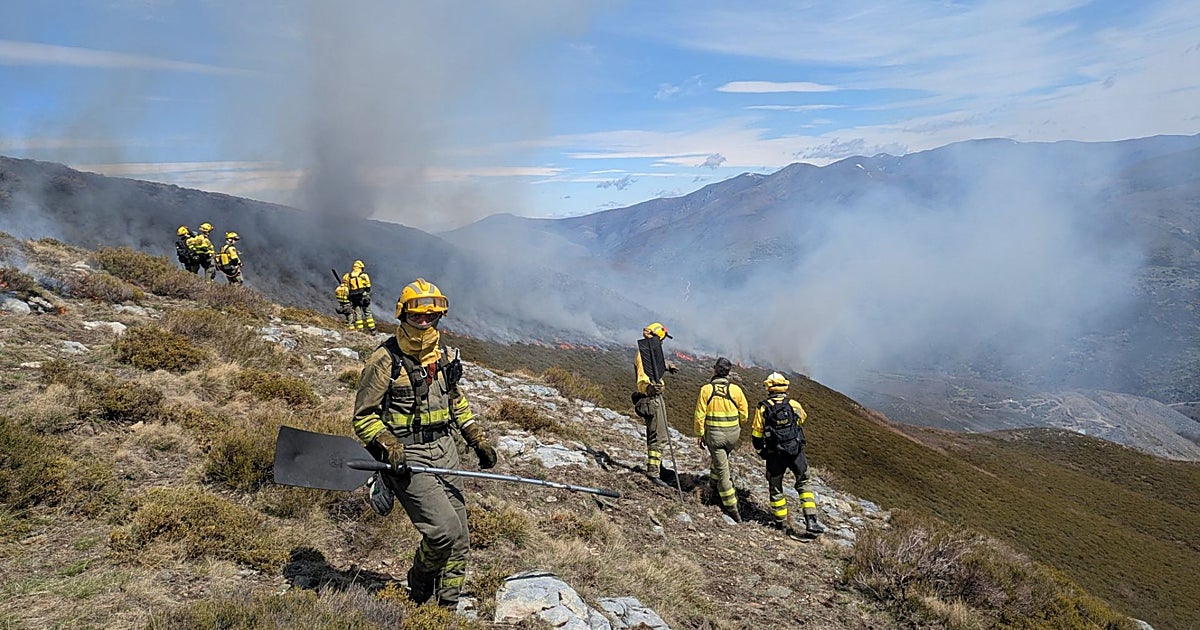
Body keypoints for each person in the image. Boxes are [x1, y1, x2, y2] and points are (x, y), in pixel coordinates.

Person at [352, 277, 497, 608]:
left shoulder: (443, 356)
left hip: (445, 450)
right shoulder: (384, 360)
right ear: (403, 314)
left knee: (460, 538)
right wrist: (387, 442)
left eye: (430, 316)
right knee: (443, 531)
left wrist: (475, 438)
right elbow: (363, 417)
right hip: (408, 456)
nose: (423, 322)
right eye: (417, 316)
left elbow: (455, 400)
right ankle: (419, 582)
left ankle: (446, 608)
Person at [751, 372, 826, 536]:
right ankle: (811, 521)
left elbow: (756, 434)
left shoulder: (763, 407)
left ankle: (781, 524)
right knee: (804, 483)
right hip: (795, 453)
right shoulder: (793, 404)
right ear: (785, 386)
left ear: (769, 387)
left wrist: (762, 452)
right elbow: (802, 419)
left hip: (774, 454)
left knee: (776, 488)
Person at [694, 357, 748, 521]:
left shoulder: (706, 390)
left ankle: (732, 508)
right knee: (721, 460)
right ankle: (712, 486)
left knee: (724, 472)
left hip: (715, 437)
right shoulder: (736, 390)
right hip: (732, 436)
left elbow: (699, 416)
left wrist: (700, 434)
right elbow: (744, 414)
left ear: (715, 370)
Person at [633, 322, 679, 483]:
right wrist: (651, 388)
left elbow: (655, 365)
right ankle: (653, 472)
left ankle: (659, 466)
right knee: (657, 436)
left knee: (660, 433)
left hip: (657, 399)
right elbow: (642, 378)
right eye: (663, 338)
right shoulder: (643, 354)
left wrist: (666, 366)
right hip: (652, 399)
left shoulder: (651, 352)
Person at [347, 259, 376, 333]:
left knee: (358, 314)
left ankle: (360, 329)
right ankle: (372, 329)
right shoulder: (364, 275)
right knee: (367, 313)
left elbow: (348, 288)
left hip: (354, 298)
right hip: (363, 297)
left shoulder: (349, 277)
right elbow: (368, 286)